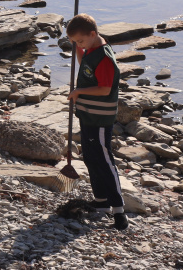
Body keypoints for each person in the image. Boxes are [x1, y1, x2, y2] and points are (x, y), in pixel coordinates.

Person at [66, 13, 129, 231]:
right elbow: (86, 66)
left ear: (93, 34)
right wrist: (77, 49)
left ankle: (119, 210)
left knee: (104, 158)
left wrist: (79, 91)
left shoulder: (105, 58)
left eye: (80, 41)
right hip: (88, 115)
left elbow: (104, 88)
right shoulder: (91, 49)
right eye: (75, 42)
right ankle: (101, 200)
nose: (79, 45)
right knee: (91, 157)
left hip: (100, 118)